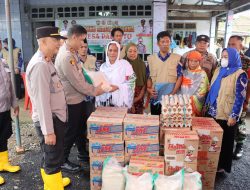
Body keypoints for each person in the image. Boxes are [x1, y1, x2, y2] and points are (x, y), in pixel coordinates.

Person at [55, 25, 104, 173]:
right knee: (71, 131)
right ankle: (62, 160)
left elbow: (81, 73)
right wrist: (96, 91)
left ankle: (83, 154)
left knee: (81, 128)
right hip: (71, 100)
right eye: (81, 40)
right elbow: (78, 82)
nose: (83, 44)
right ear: (74, 37)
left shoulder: (72, 52)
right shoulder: (66, 56)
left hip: (79, 98)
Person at [26, 26, 70, 189]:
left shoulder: (47, 60)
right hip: (49, 120)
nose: (59, 43)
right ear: (43, 41)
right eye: (55, 40)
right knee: (52, 158)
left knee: (51, 155)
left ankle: (54, 182)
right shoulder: (40, 65)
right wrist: (48, 131)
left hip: (53, 118)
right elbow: (42, 102)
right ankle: (53, 185)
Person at [204, 48, 247, 174]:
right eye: (222, 56)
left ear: (234, 58)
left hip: (226, 113)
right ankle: (212, 163)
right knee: (213, 141)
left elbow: (240, 97)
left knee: (225, 142)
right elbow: (211, 89)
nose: (223, 59)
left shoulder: (240, 74)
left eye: (227, 57)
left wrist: (234, 116)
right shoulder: (218, 70)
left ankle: (222, 166)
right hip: (212, 111)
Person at [147, 31, 183, 115]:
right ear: (158, 43)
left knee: (170, 122)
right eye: (162, 42)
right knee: (155, 121)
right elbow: (148, 77)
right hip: (155, 97)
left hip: (172, 98)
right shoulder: (151, 59)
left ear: (170, 43)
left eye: (167, 41)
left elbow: (180, 77)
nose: (165, 44)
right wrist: (149, 89)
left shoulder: (177, 58)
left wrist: (172, 93)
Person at [228, 35, 250, 159]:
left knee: (240, 121)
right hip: (226, 98)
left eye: (233, 45)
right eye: (229, 44)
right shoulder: (224, 60)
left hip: (241, 99)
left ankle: (239, 145)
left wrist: (246, 101)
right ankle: (228, 145)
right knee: (228, 122)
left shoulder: (247, 62)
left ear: (240, 46)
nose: (230, 47)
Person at [75, 38, 97, 163]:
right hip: (78, 98)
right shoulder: (72, 60)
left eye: (85, 47)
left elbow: (97, 75)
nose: (83, 49)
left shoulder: (93, 59)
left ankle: (91, 148)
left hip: (90, 98)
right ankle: (81, 152)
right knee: (79, 125)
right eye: (81, 46)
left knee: (90, 123)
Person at [96, 41, 136, 108]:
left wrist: (118, 87)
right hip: (106, 102)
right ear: (107, 52)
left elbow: (131, 82)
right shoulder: (103, 67)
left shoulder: (125, 65)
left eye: (115, 50)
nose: (112, 53)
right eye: (110, 50)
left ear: (118, 52)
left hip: (121, 103)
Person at [0, 58, 20, 186]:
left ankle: (3, 163)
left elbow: (10, 85)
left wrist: (14, 103)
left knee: (3, 136)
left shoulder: (3, 62)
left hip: (5, 108)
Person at [179, 51, 209, 116]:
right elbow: (180, 88)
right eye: (191, 61)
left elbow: (202, 92)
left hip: (194, 104)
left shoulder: (202, 74)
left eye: (196, 61)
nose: (193, 63)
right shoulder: (184, 72)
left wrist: (190, 99)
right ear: (188, 61)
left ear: (199, 62)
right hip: (182, 103)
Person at [125, 43, 146, 114]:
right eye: (130, 51)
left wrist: (138, 97)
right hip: (125, 97)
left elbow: (144, 83)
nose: (132, 53)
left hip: (139, 97)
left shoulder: (142, 64)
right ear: (126, 52)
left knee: (138, 120)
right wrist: (130, 101)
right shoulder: (122, 65)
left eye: (135, 51)